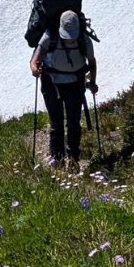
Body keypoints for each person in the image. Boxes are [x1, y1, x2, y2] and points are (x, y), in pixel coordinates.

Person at [31, 9, 97, 168]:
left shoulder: (84, 40)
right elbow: (34, 60)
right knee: (58, 121)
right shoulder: (50, 36)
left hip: (66, 83)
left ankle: (71, 158)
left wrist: (93, 82)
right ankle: (58, 157)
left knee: (72, 121)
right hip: (57, 83)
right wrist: (35, 68)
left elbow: (92, 62)